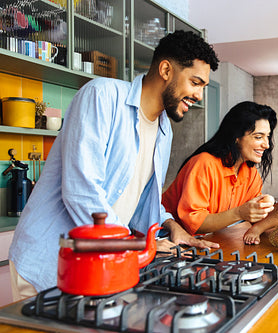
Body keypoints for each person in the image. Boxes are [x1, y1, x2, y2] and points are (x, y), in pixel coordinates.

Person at [8, 30, 220, 299]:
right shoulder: (102, 96)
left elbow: (141, 201)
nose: (199, 95)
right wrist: (135, 246)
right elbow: (81, 192)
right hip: (50, 260)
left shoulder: (164, 130)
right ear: (166, 69)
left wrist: (170, 227)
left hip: (99, 265)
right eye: (195, 82)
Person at [162, 101, 277, 236]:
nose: (267, 145)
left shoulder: (251, 174)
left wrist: (264, 210)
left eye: (267, 137)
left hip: (208, 240)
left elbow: (255, 219)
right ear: (236, 137)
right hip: (165, 238)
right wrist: (240, 213)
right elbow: (194, 224)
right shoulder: (204, 164)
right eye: (258, 137)